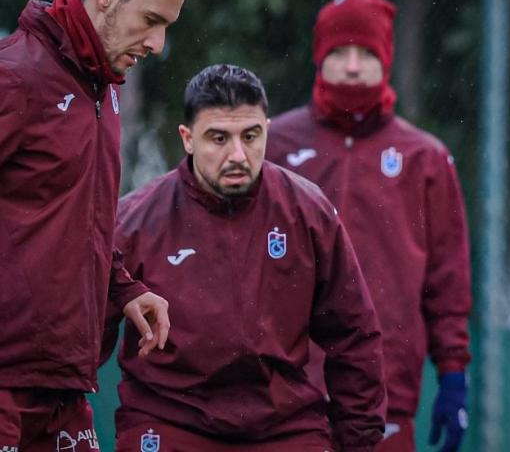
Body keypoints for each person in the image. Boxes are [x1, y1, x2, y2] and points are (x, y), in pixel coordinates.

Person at [105, 64, 386, 451]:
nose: (237, 154)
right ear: (188, 138)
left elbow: (353, 334)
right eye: (218, 138)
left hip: (283, 425)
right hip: (169, 419)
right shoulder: (135, 221)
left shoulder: (308, 213)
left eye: (250, 136)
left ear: (267, 130)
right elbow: (83, 334)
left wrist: (358, 441)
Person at [0, 0, 196, 451]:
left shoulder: (102, 89)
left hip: (64, 385)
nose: (157, 44)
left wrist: (123, 289)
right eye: (151, 21)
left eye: (167, 27)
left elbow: (74, 218)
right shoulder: (15, 77)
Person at [266, 0, 472, 452]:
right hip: (286, 394)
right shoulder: (271, 146)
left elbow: (447, 282)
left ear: (387, 60)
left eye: (366, 53)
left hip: (387, 395)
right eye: (340, 53)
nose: (353, 66)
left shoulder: (425, 158)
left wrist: (453, 375)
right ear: (319, 58)